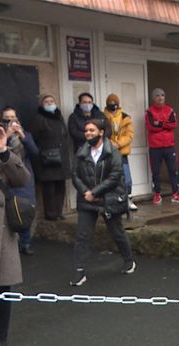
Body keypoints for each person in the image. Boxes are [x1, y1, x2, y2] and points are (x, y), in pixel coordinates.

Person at [69, 119, 136, 287]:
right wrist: (86, 192)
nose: (88, 133)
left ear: (101, 132)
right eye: (86, 131)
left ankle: (129, 260)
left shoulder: (112, 151)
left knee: (117, 233)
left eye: (92, 130)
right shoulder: (81, 152)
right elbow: (75, 174)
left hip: (108, 199)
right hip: (87, 200)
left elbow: (115, 176)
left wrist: (95, 192)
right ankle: (78, 271)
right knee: (83, 236)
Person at [0, 123, 31, 346]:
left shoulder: (3, 152)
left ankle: (1, 343)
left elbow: (22, 178)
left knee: (3, 290)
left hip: (2, 233)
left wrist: (2, 150)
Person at [1, 107, 38, 255]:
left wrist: (23, 136)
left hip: (24, 179)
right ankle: (9, 246)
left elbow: (35, 153)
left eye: (13, 118)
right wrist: (7, 135)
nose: (11, 121)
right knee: (7, 213)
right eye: (7, 118)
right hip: (6, 180)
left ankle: (25, 243)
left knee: (24, 210)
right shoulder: (0, 135)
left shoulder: (25, 134)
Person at [30, 94, 72, 221]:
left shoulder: (59, 117)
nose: (49, 103)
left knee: (61, 185)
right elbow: (33, 138)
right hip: (47, 158)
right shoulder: (39, 119)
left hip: (62, 158)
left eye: (52, 101)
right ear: (41, 104)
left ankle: (59, 212)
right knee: (49, 187)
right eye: (46, 101)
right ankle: (51, 214)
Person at [146, 88, 179, 205]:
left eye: (162, 95)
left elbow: (174, 124)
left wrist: (160, 123)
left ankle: (175, 193)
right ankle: (157, 194)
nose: (160, 97)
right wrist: (165, 124)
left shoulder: (169, 110)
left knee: (173, 170)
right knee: (156, 171)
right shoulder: (149, 112)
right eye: (157, 95)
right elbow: (151, 126)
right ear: (154, 98)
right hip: (155, 146)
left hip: (169, 145)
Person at [103, 93, 137, 211]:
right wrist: (109, 144)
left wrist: (118, 144)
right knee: (110, 178)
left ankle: (128, 199)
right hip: (107, 152)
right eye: (110, 104)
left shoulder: (125, 117)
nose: (113, 107)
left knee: (126, 178)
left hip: (122, 152)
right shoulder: (102, 117)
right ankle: (113, 201)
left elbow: (129, 135)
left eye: (115, 104)